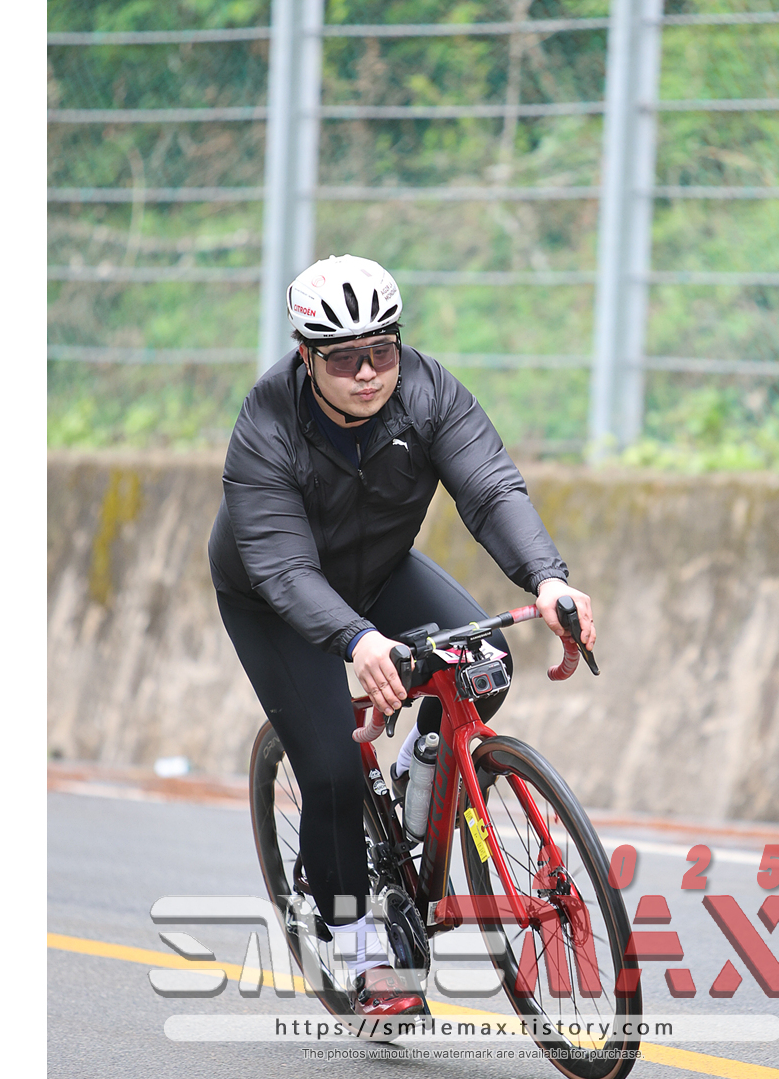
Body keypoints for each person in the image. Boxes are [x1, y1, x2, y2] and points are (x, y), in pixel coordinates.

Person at [208, 254, 595, 1017]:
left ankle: (424, 765)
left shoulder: (427, 391)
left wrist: (547, 580)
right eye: (344, 359)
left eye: (381, 351)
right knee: (330, 768)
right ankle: (360, 949)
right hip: (275, 597)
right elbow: (285, 569)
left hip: (377, 570)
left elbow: (490, 488)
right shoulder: (266, 424)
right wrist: (359, 642)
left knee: (485, 662)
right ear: (306, 356)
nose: (367, 374)